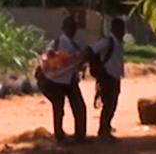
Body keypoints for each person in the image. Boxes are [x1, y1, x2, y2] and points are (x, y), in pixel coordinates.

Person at [37, 15, 87, 144]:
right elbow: (48, 55)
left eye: (73, 27)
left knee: (78, 107)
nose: (72, 30)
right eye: (69, 27)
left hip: (70, 80)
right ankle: (60, 135)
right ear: (64, 28)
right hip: (57, 81)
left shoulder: (74, 44)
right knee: (60, 107)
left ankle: (79, 135)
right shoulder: (57, 43)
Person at [89, 18, 127, 141]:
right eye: (121, 29)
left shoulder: (117, 43)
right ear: (114, 28)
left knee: (112, 102)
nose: (123, 32)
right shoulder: (107, 41)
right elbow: (90, 50)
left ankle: (106, 126)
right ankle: (103, 130)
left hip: (114, 76)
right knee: (109, 103)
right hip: (108, 76)